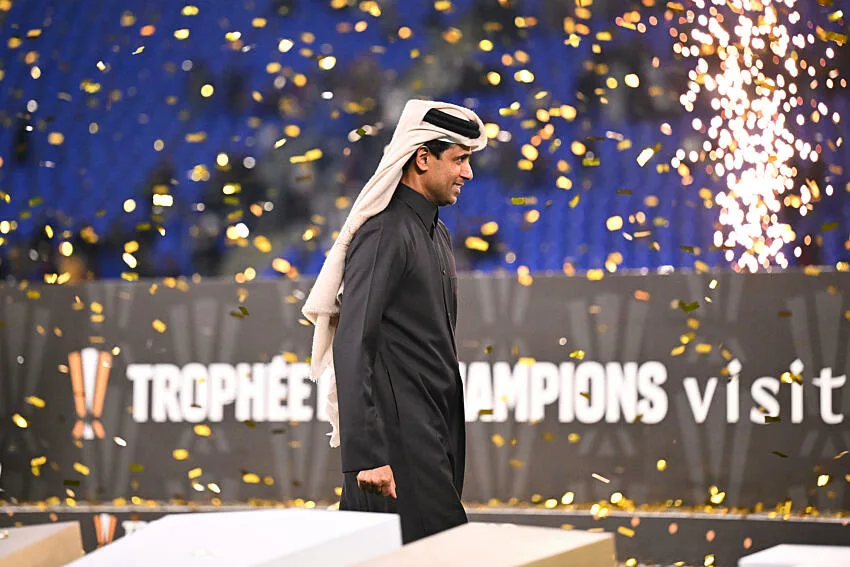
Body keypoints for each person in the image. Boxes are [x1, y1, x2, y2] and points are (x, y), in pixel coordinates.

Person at [301, 100, 488, 544]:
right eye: (459, 159)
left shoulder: (436, 233)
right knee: (446, 551)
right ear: (422, 158)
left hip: (428, 429)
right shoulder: (385, 231)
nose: (467, 173)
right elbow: (353, 341)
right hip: (396, 441)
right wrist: (366, 455)